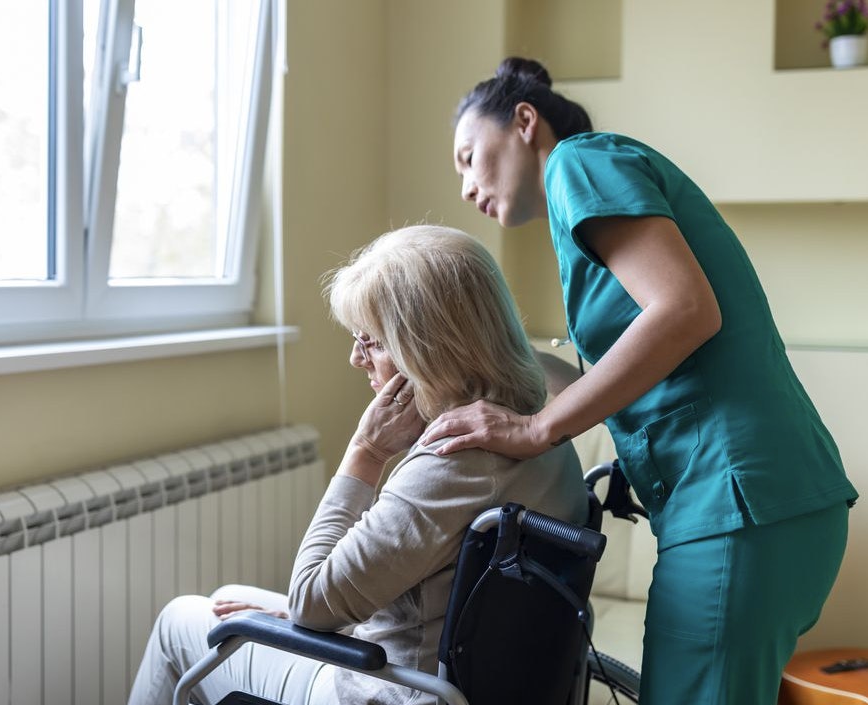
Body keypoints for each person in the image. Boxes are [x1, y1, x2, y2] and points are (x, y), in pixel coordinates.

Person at [422, 57, 860, 704]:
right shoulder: (588, 200)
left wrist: (537, 427)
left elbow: (686, 309)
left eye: (467, 156)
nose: (464, 186)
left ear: (524, 121)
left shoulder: (578, 163)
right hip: (754, 502)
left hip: (737, 502)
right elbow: (649, 362)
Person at [127, 225, 588, 705]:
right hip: (461, 672)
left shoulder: (450, 465)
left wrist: (364, 453)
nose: (355, 358)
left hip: (393, 689)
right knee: (228, 598)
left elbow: (309, 602)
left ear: (428, 347)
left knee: (178, 621)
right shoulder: (542, 418)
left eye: (371, 341)